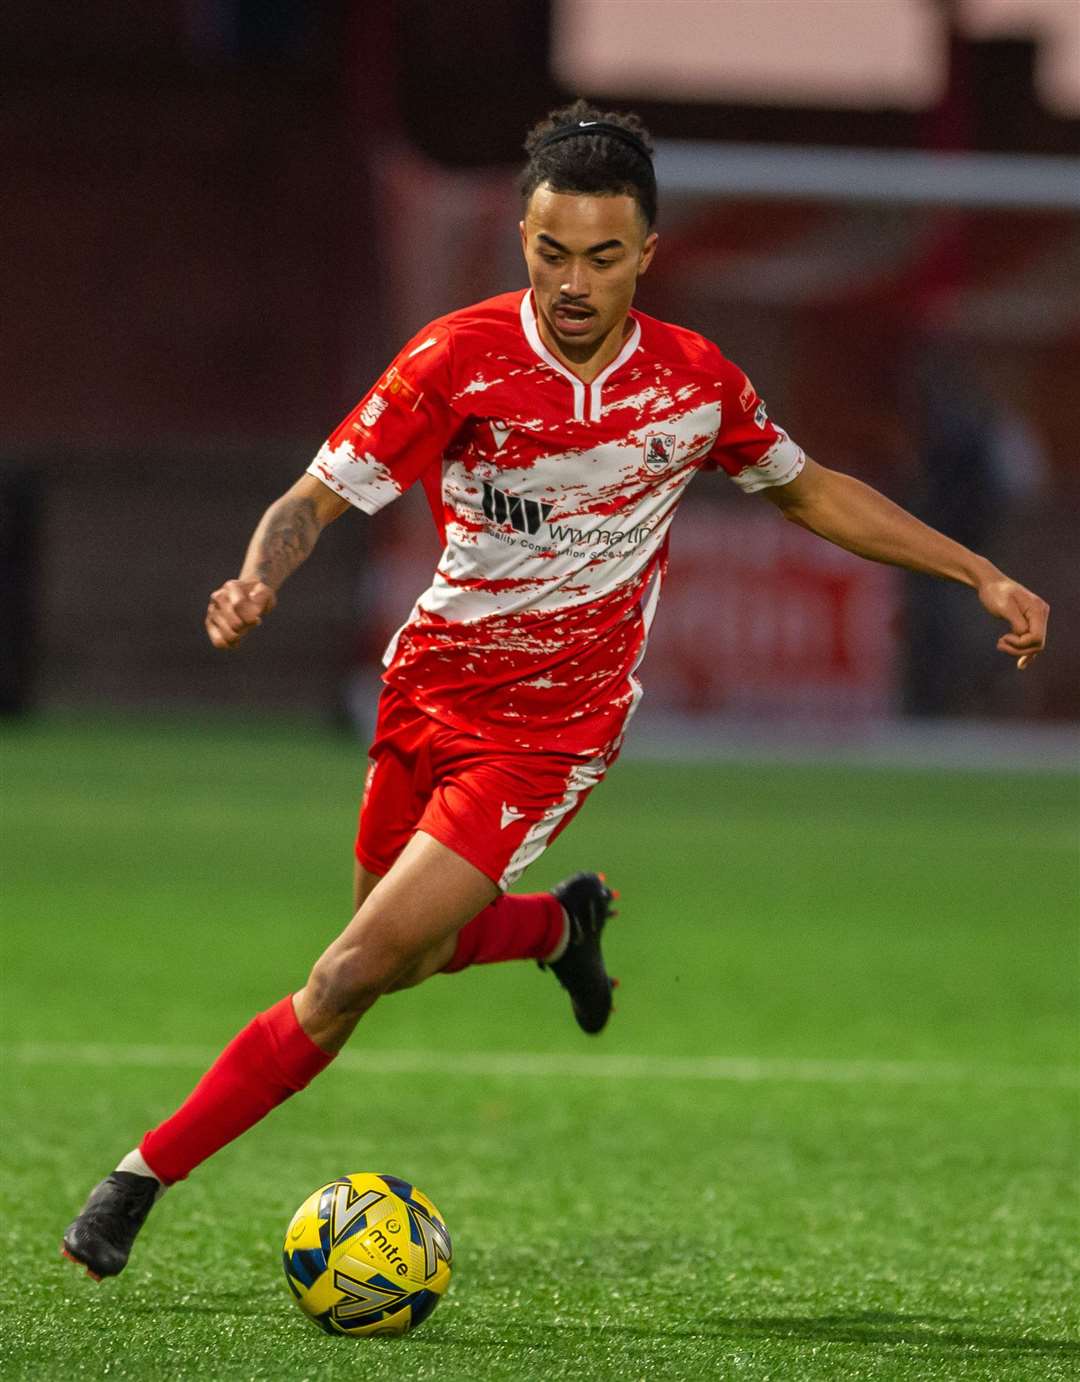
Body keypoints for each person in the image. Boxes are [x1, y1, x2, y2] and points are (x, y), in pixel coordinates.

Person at [61, 100, 1049, 1281]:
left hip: (547, 736)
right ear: (522, 237)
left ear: (647, 253)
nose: (572, 280)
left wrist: (981, 569)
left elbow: (814, 489)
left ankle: (137, 1178)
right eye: (549, 250)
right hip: (428, 693)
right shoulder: (457, 358)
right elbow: (314, 495)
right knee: (411, 952)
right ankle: (558, 923)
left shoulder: (692, 385)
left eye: (601, 255)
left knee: (351, 970)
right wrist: (254, 573)